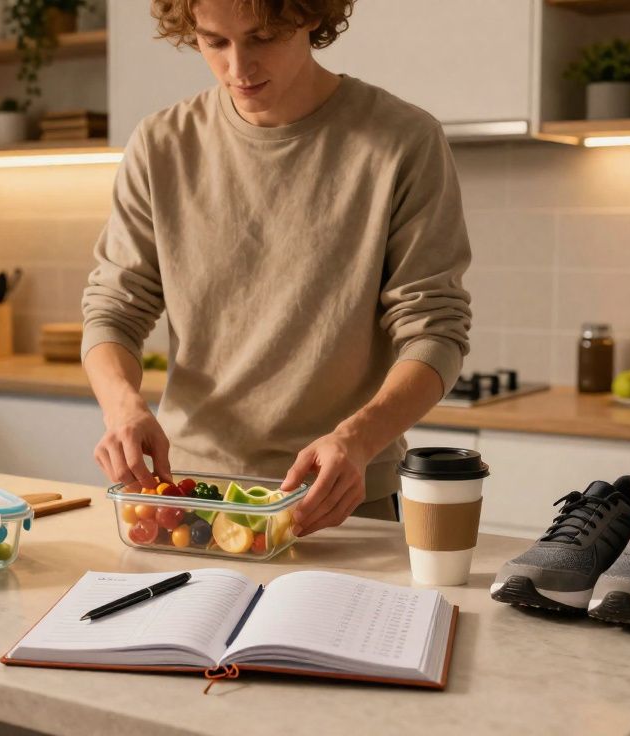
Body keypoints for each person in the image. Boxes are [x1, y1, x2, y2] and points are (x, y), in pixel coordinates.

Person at [81, 0, 472, 536]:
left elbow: (436, 331)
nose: (238, 68)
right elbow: (112, 310)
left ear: (311, 16)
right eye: (214, 42)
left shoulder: (403, 140)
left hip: (338, 496)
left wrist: (358, 439)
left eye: (262, 37)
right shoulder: (160, 144)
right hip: (189, 493)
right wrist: (122, 408)